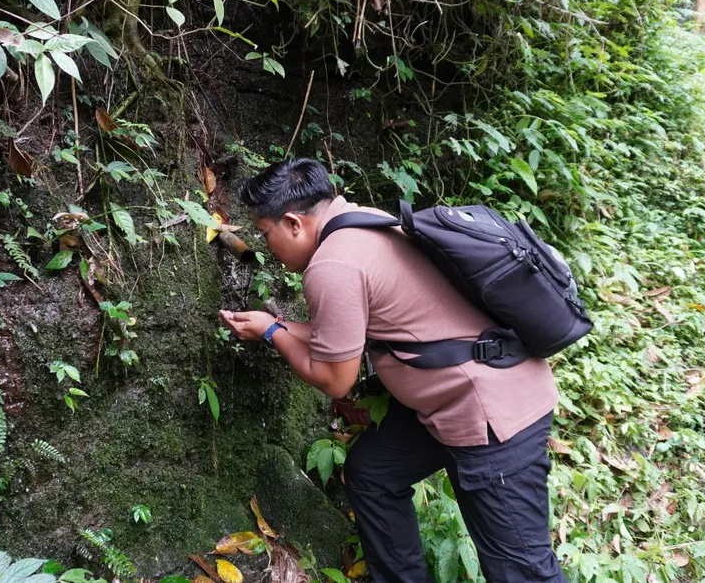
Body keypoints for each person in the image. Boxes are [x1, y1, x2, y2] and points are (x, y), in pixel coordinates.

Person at [218, 157, 567, 583]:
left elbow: (334, 378)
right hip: (458, 397)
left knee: (521, 571)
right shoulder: (363, 222)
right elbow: (344, 335)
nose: (265, 247)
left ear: (293, 223)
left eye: (264, 233)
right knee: (374, 472)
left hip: (489, 416)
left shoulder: (333, 264)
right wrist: (275, 325)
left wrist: (273, 332)